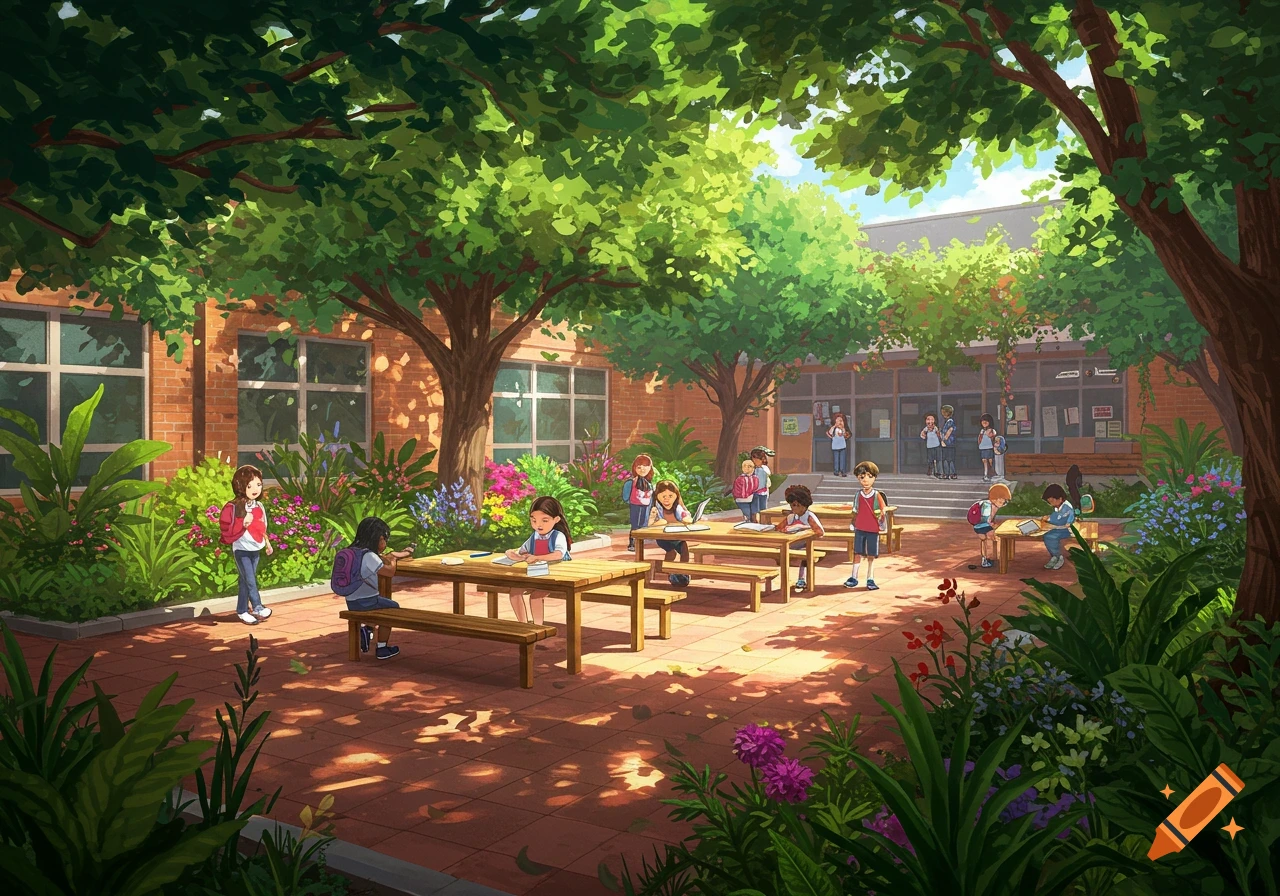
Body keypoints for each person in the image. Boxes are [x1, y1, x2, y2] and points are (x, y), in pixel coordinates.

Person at [339, 517, 415, 659]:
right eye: (384, 540)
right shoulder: (369, 556)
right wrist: (392, 560)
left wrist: (400, 554)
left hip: (351, 601)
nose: (385, 543)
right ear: (379, 539)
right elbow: (389, 572)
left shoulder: (353, 551)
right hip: (367, 601)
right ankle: (382, 648)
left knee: (383, 603)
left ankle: (367, 629)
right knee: (392, 608)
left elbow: (380, 558)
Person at [505, 496, 574, 626]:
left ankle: (538, 627)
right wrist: (514, 554)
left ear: (556, 519)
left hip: (557, 575)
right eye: (534, 520)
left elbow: (558, 554)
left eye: (544, 520)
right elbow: (523, 550)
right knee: (515, 591)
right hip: (538, 573)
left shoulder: (558, 536)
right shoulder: (534, 536)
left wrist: (537, 557)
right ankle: (522, 625)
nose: (539, 525)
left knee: (536, 596)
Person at [218, 464, 274, 626]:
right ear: (241, 487)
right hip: (241, 550)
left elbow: (262, 527)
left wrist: (267, 543)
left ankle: (242, 610)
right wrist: (243, 523)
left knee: (245, 581)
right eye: (250, 485)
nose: (255, 489)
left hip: (255, 548)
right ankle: (257, 606)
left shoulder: (259, 506)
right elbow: (226, 528)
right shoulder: (234, 507)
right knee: (250, 580)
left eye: (258, 484)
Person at [846, 461, 888, 591]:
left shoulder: (877, 495)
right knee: (857, 552)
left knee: (871, 554)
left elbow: (884, 508)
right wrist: (853, 522)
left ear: (874, 477)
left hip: (872, 528)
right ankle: (854, 576)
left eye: (869, 476)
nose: (865, 480)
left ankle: (870, 578)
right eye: (862, 477)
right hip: (860, 527)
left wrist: (881, 514)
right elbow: (855, 510)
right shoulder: (858, 495)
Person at [777, 484, 826, 592]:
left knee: (804, 555)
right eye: (791, 505)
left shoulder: (809, 516)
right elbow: (779, 528)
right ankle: (786, 581)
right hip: (790, 543)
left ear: (803, 505)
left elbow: (820, 532)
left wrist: (804, 528)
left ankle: (802, 578)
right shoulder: (791, 517)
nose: (793, 508)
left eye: (795, 505)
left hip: (804, 544)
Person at [648, 480, 693, 586]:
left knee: (684, 551)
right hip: (663, 537)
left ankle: (683, 572)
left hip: (677, 535)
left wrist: (687, 518)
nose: (667, 499)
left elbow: (684, 515)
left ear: (676, 496)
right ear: (657, 496)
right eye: (663, 496)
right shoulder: (656, 509)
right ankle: (668, 572)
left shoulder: (677, 508)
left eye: (670, 496)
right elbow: (649, 524)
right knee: (671, 552)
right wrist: (657, 522)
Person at [972, 483, 1011, 569]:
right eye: (1001, 501)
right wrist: (993, 525)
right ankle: (992, 558)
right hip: (981, 526)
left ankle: (987, 558)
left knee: (989, 538)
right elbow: (986, 519)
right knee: (997, 535)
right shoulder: (987, 505)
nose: (1002, 503)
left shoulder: (993, 505)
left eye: (1004, 501)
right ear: (994, 499)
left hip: (982, 525)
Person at [1040, 483, 1078, 570]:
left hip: (1067, 530)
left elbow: (1059, 520)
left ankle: (1058, 556)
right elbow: (1057, 516)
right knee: (1047, 536)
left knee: (1050, 537)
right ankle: (1054, 556)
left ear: (1060, 498)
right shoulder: (1059, 506)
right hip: (1061, 528)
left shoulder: (1066, 508)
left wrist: (1049, 519)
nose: (1051, 504)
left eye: (1052, 501)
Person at [623, 454, 655, 552]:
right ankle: (632, 543)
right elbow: (625, 496)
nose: (642, 469)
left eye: (645, 466)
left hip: (646, 506)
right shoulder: (631, 482)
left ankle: (640, 542)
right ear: (635, 468)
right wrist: (631, 501)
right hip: (635, 505)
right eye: (639, 467)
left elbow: (652, 497)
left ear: (650, 468)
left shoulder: (649, 484)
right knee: (635, 525)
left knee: (643, 523)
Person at [749, 446, 774, 522]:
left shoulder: (764, 468)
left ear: (762, 459)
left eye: (757, 459)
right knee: (754, 508)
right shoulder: (751, 469)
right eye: (753, 459)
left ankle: (763, 522)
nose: (755, 461)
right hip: (753, 492)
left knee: (763, 508)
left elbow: (767, 475)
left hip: (763, 491)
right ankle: (754, 521)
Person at [828, 413, 851, 478]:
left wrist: (843, 428)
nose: (840, 422)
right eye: (838, 420)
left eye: (841, 420)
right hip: (835, 446)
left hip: (842, 445)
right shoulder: (834, 428)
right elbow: (830, 433)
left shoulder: (843, 429)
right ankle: (836, 471)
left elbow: (846, 435)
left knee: (842, 459)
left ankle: (843, 471)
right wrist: (834, 426)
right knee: (836, 459)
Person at [920, 413, 942, 478]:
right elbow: (922, 436)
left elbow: (939, 435)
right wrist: (924, 433)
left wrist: (938, 432)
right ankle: (930, 470)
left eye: (932, 419)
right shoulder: (926, 429)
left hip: (936, 445)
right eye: (928, 419)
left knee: (937, 459)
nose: (930, 421)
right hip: (929, 446)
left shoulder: (935, 428)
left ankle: (937, 471)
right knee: (930, 460)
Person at [939, 404, 958, 480]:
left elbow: (949, 431)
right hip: (948, 443)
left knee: (949, 459)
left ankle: (951, 473)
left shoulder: (950, 422)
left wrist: (944, 440)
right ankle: (947, 473)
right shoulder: (947, 422)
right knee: (946, 459)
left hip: (949, 443)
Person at [978, 414, 997, 482]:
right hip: (983, 448)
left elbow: (994, 437)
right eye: (983, 422)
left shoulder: (992, 430)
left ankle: (992, 473)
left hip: (989, 447)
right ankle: (985, 474)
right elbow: (979, 439)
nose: (984, 423)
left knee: (990, 461)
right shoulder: (982, 431)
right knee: (984, 461)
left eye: (986, 421)